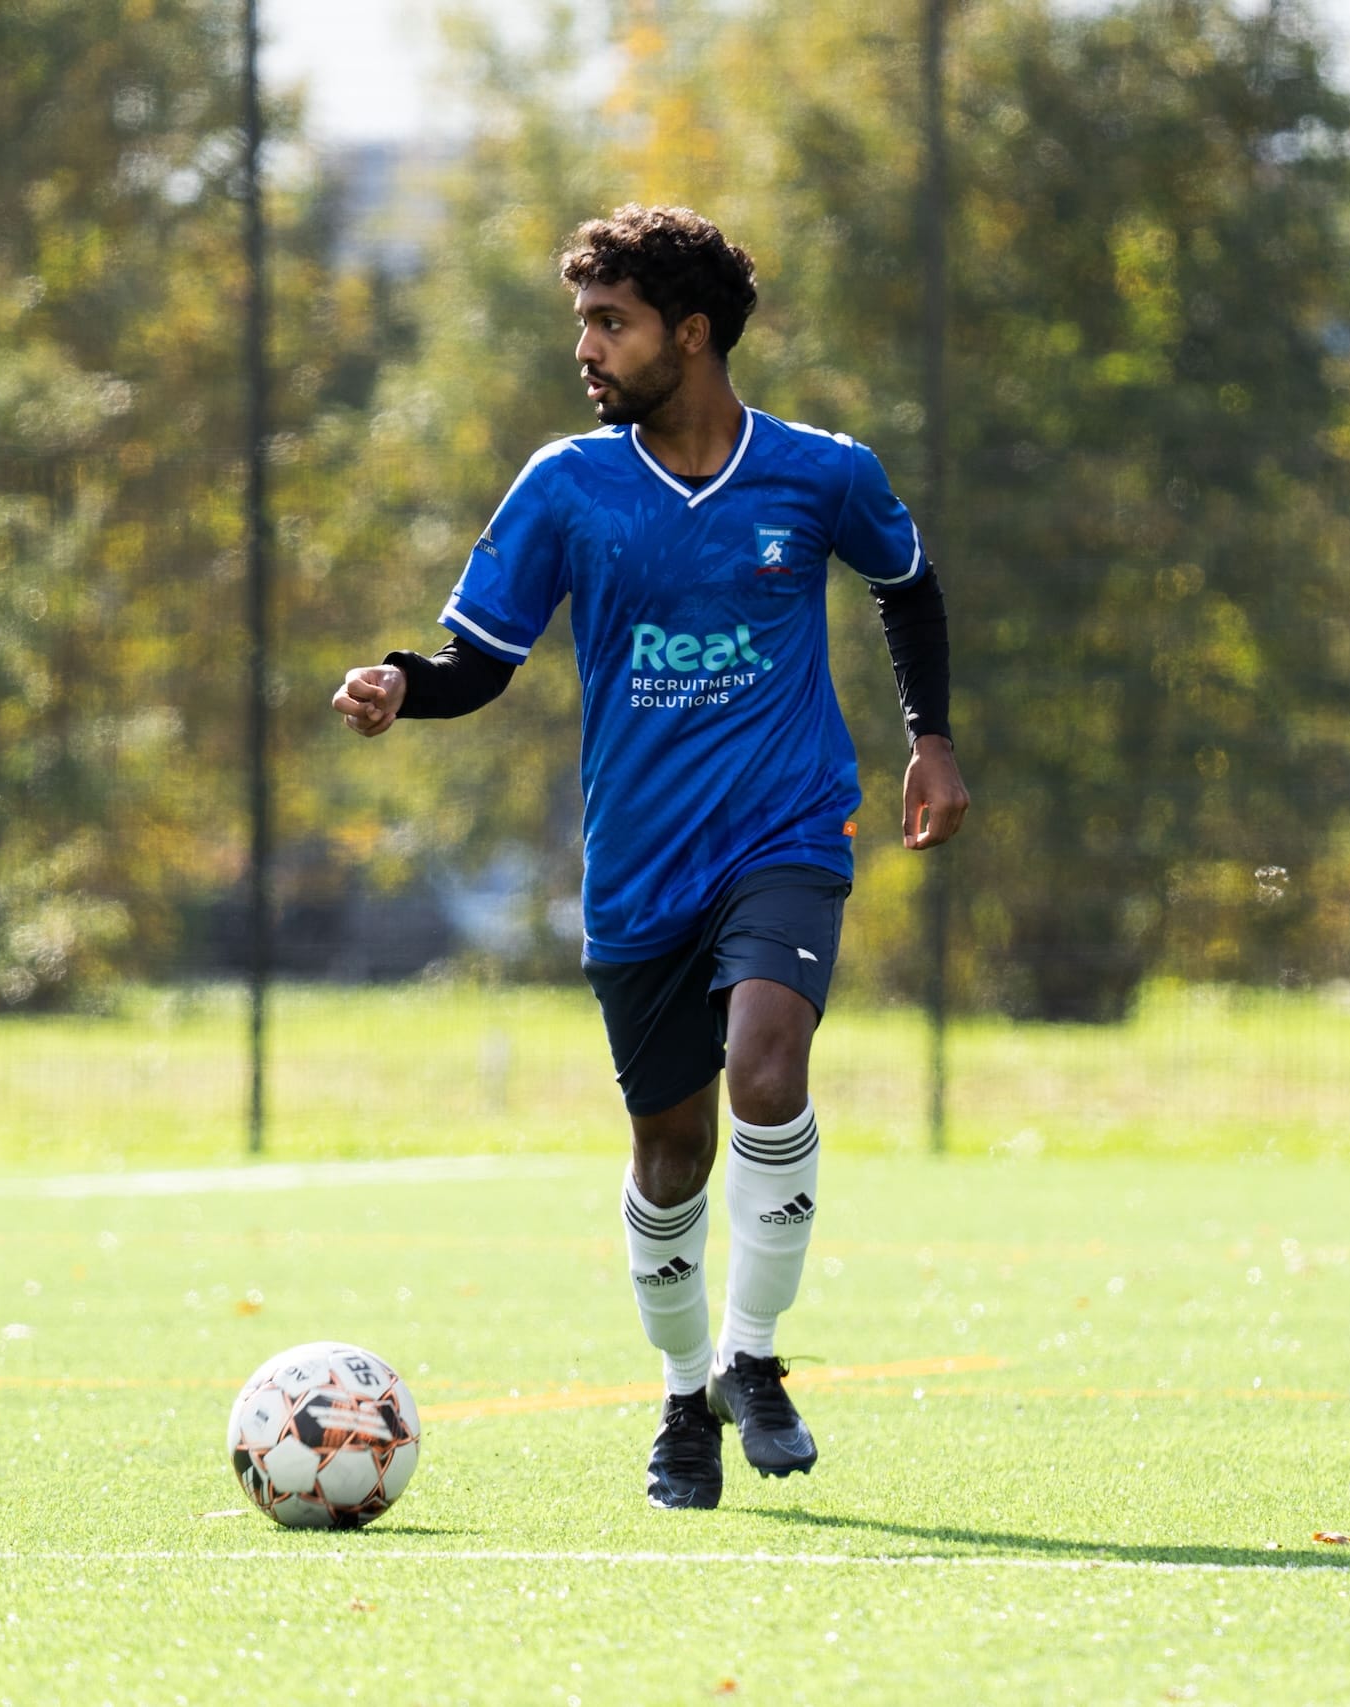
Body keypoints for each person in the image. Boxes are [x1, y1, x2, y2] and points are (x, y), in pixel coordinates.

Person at [332, 204, 968, 1510]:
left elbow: (905, 579)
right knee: (669, 1153)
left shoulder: (820, 473)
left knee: (768, 1063)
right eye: (583, 323)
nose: (588, 348)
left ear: (691, 332)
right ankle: (687, 1395)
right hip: (638, 871)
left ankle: (759, 1356)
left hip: (787, 833)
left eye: (609, 323)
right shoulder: (568, 486)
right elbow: (482, 664)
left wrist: (932, 739)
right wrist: (404, 681)